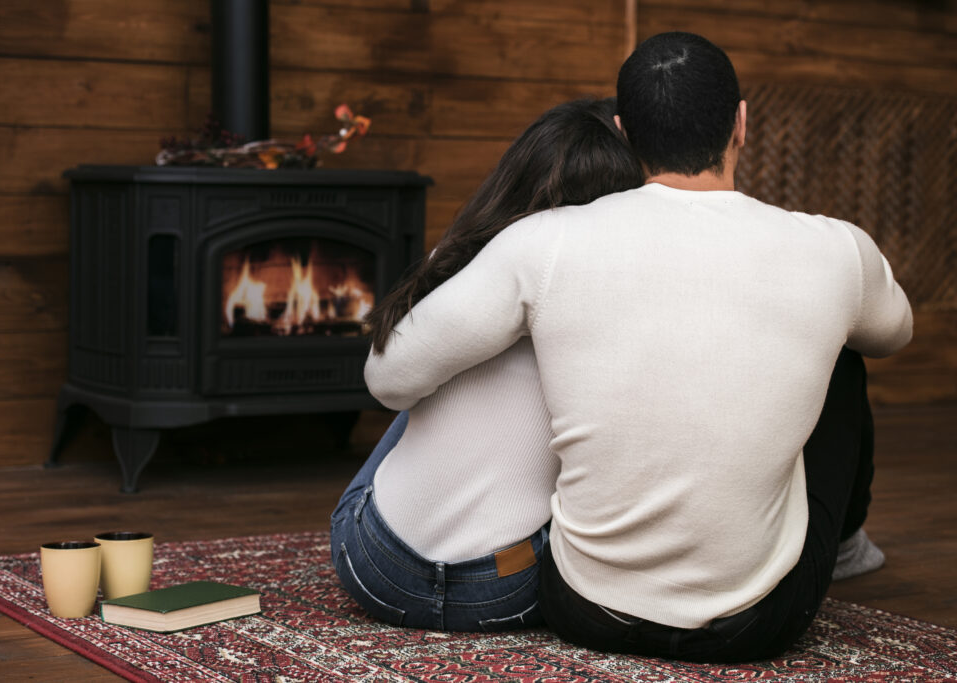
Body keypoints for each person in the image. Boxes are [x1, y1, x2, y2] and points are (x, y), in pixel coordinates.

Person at [363, 31, 912, 661]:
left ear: (624, 132)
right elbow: (895, 333)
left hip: (584, 610)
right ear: (741, 124)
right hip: (755, 624)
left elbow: (390, 378)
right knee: (845, 355)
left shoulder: (545, 239)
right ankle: (844, 547)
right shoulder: (836, 248)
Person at [330, 98, 644, 631]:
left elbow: (385, 385)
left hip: (376, 568)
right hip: (507, 590)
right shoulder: (627, 297)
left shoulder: (463, 260)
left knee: (418, 378)